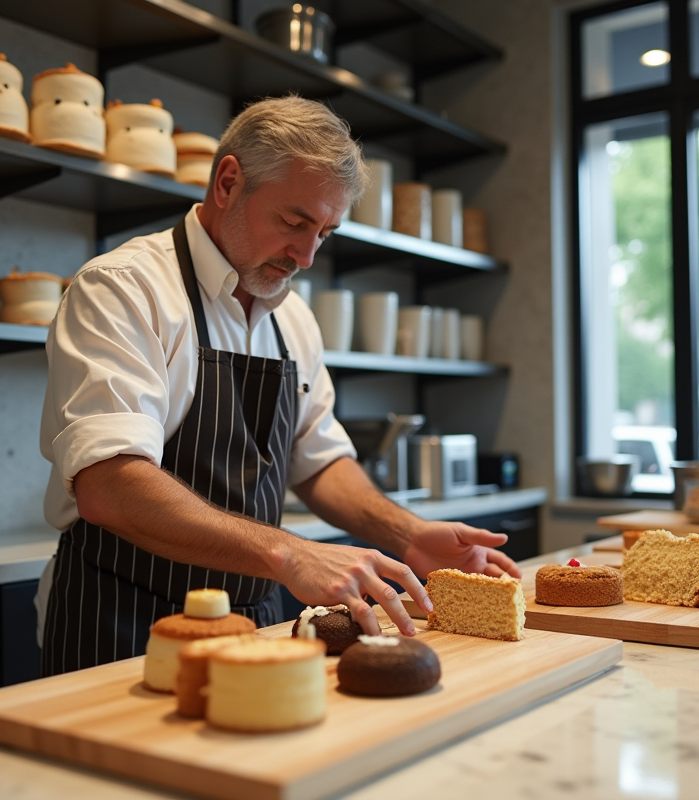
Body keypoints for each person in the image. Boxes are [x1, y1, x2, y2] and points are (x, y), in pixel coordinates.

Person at [36, 95, 519, 676]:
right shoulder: (123, 290)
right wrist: (289, 552)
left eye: (325, 232)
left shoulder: (292, 318)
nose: (308, 255)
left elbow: (317, 461)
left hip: (256, 622)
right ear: (228, 182)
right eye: (294, 222)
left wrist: (408, 534)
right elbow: (109, 485)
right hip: (120, 621)